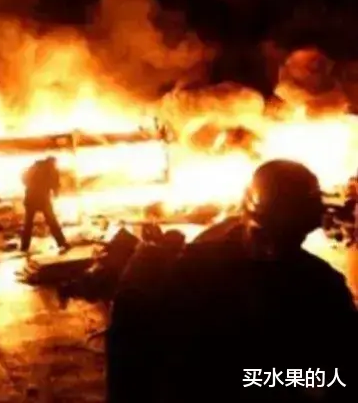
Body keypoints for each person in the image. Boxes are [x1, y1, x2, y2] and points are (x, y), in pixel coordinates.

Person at [109, 159, 358, 403]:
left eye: (287, 237)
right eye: (262, 235)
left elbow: (341, 372)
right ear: (244, 215)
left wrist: (280, 381)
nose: (272, 250)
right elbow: (154, 359)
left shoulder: (322, 286)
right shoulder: (194, 270)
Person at [21, 156, 70, 255]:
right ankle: (62, 243)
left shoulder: (33, 168)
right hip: (43, 199)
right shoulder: (52, 169)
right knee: (52, 222)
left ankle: (24, 246)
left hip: (29, 198)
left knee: (28, 224)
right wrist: (55, 194)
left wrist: (31, 187)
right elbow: (55, 185)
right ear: (53, 162)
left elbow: (24, 179)